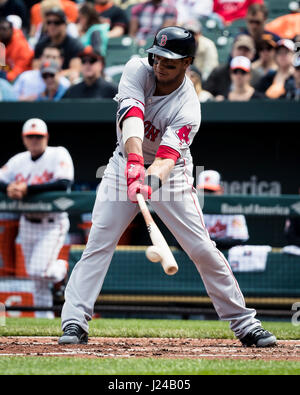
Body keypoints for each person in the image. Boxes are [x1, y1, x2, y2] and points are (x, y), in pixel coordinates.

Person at [58, 26, 276, 348]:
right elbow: (131, 115)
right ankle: (74, 321)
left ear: (188, 62)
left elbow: (167, 158)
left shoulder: (189, 107)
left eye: (170, 62)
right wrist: (134, 163)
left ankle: (246, 324)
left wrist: (148, 179)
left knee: (202, 248)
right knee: (99, 242)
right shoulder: (136, 69)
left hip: (169, 176)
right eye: (157, 58)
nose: (160, 66)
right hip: (123, 164)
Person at [0, 118, 74, 318]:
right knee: (37, 281)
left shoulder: (58, 153)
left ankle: (62, 270)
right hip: (28, 222)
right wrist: (9, 187)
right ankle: (46, 321)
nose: (34, 140)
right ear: (24, 139)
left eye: (38, 136)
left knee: (37, 270)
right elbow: (1, 178)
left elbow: (64, 183)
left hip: (52, 222)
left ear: (46, 137)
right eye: (30, 137)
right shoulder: (19, 160)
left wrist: (27, 189)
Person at [197, 170, 249, 249]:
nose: (206, 194)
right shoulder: (193, 209)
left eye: (210, 191)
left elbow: (238, 240)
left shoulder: (232, 208)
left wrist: (205, 242)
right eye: (203, 191)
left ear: (221, 190)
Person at [34, 7, 84, 82]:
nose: (52, 26)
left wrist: (54, 75)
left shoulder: (74, 44)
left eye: (56, 22)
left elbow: (75, 70)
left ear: (65, 24)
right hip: (43, 81)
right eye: (49, 22)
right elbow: (36, 69)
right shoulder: (41, 44)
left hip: (65, 82)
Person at [0, 17, 34, 82]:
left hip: (21, 78)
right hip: (7, 71)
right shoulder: (3, 41)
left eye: (4, 29)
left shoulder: (21, 45)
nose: (1, 32)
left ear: (12, 30)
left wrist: (6, 77)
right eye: (0, 29)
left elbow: (20, 69)